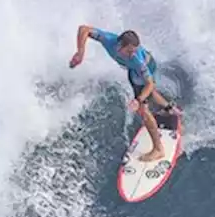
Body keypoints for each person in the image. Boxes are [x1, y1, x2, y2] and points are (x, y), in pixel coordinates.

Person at [69, 25, 178, 162]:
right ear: (120, 45)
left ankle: (158, 149)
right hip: (135, 70)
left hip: (143, 70)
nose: (132, 53)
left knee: (143, 109)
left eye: (135, 50)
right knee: (149, 93)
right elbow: (84, 29)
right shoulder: (108, 40)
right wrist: (80, 52)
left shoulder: (137, 60)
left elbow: (150, 84)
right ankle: (170, 109)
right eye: (130, 50)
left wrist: (138, 100)